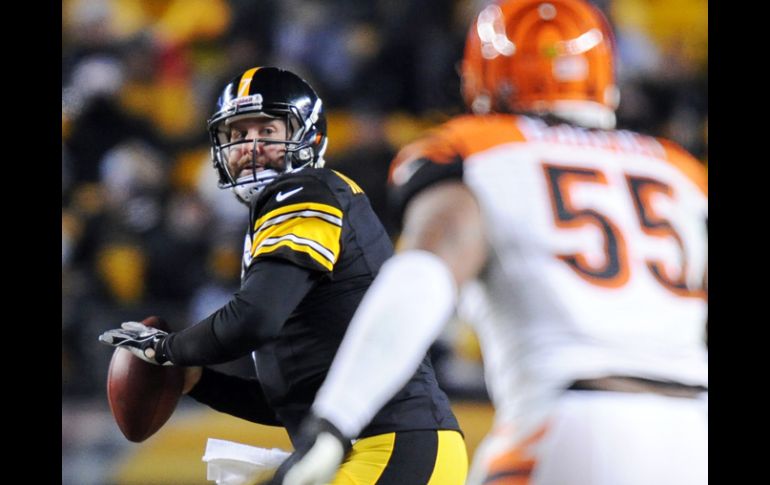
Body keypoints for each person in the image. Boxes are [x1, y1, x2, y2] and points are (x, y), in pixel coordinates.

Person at [273, 1, 708, 484]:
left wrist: (335, 419)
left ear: (483, 73)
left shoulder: (482, 147)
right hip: (694, 429)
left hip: (572, 421)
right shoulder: (680, 171)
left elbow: (425, 275)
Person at [99, 66, 467, 484]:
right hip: (381, 445)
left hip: (390, 445)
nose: (251, 146)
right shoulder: (283, 212)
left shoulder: (303, 190)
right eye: (237, 135)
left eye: (267, 130)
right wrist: (198, 380)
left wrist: (170, 348)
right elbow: (294, 399)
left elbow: (255, 317)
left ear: (307, 137)